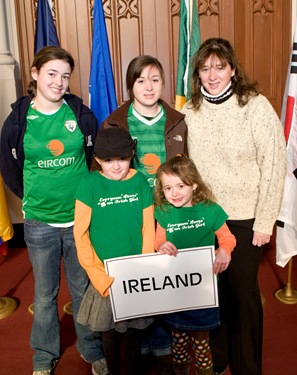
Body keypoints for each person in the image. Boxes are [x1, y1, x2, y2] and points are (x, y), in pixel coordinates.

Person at [181, 38, 287, 375]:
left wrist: (265, 221)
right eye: (205, 67)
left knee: (242, 295)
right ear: (197, 72)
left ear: (232, 69)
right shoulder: (190, 110)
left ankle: (248, 366)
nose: (212, 74)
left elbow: (275, 163)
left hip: (244, 218)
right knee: (213, 293)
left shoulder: (255, 106)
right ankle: (219, 356)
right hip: (204, 218)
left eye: (219, 67)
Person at [0, 46, 107, 375]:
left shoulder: (81, 114)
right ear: (34, 73)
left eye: (65, 76)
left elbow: (93, 160)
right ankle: (44, 356)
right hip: (39, 223)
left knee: (82, 288)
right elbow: (9, 169)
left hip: (79, 220)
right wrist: (32, 198)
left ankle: (91, 347)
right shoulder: (18, 120)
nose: (59, 82)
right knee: (45, 295)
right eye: (51, 74)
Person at [101, 54, 188, 374]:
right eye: (141, 80)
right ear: (130, 86)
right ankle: (145, 337)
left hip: (168, 209)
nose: (148, 86)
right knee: (140, 278)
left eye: (155, 79)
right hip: (133, 213)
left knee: (166, 277)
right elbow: (106, 170)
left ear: (163, 83)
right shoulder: (115, 122)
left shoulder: (178, 120)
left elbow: (186, 168)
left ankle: (163, 336)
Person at [73, 127, 155, 375]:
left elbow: (148, 229)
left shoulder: (140, 180)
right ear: (97, 159)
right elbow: (81, 235)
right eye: (108, 160)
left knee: (132, 333)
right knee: (108, 332)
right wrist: (98, 276)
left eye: (122, 158)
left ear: (131, 155)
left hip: (134, 274)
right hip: (104, 275)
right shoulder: (89, 184)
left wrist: (142, 268)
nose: (116, 166)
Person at [154, 154, 236, 375]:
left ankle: (204, 371)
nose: (174, 193)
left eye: (180, 185)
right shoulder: (164, 211)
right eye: (168, 188)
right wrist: (162, 245)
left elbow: (228, 238)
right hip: (176, 286)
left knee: (201, 341)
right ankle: (180, 370)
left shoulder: (210, 210)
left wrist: (224, 252)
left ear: (195, 184)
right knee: (178, 339)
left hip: (204, 288)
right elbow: (158, 239)